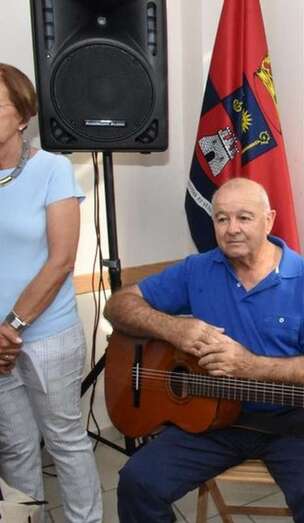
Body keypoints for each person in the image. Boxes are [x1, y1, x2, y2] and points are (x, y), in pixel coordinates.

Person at [104, 178, 304, 523]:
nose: (231, 229)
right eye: (222, 219)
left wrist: (249, 365)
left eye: (244, 217)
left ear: (269, 220)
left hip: (291, 416)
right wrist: (172, 328)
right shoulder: (197, 269)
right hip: (212, 414)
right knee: (138, 481)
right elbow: (118, 305)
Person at [0, 64, 101, 522]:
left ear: (23, 116)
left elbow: (61, 260)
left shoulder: (52, 169)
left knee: (64, 440)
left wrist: (11, 327)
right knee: (15, 446)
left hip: (47, 337)